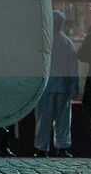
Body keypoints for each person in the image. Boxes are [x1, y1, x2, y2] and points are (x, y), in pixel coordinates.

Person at [34, 9, 78, 157]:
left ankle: (42, 148)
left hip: (45, 88)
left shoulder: (43, 41)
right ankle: (62, 147)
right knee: (63, 120)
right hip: (63, 88)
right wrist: (74, 86)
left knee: (43, 119)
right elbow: (73, 68)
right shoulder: (68, 43)